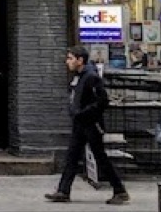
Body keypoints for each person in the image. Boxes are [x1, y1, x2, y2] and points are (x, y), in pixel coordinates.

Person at [45, 46, 130, 204]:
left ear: (80, 60)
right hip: (80, 124)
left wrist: (83, 112)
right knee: (72, 156)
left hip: (91, 124)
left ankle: (119, 190)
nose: (67, 62)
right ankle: (63, 190)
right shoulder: (78, 77)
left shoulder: (91, 77)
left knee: (100, 157)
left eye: (70, 58)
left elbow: (102, 101)